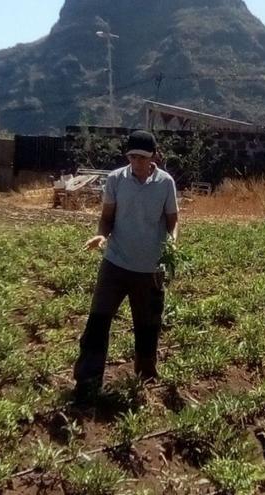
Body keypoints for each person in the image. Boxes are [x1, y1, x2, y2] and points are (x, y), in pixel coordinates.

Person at [73, 130, 179, 402]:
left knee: (147, 326)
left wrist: (172, 243)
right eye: (132, 157)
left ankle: (145, 376)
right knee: (98, 320)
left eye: (142, 158)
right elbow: (107, 217)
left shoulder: (165, 183)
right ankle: (87, 380)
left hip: (150, 268)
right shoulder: (115, 179)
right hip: (115, 264)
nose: (137, 163)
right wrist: (101, 235)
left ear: (153, 156)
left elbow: (172, 220)